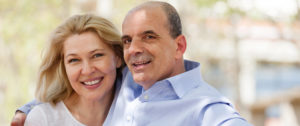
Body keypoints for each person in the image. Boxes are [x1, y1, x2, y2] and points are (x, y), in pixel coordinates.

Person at [12, 1, 252, 126]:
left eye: (149, 36)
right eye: (127, 41)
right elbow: (81, 82)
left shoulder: (206, 106)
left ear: (179, 46)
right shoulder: (129, 77)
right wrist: (28, 109)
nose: (135, 49)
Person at [23, 14, 124, 126]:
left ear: (118, 57)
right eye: (74, 60)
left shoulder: (137, 109)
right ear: (64, 67)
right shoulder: (43, 120)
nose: (87, 70)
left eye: (97, 55)